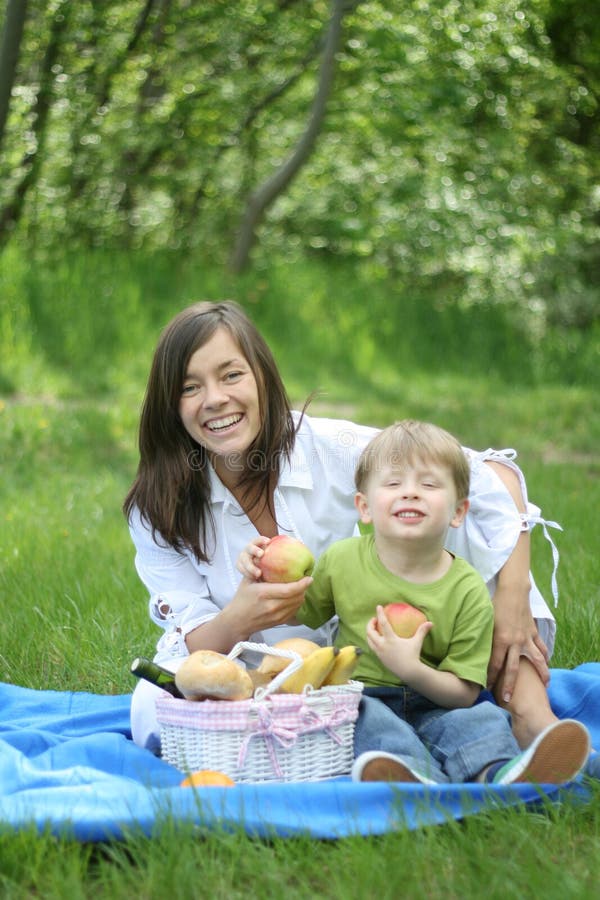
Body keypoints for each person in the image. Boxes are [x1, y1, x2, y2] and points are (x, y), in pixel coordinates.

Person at [124, 299, 562, 754]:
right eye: (190, 387)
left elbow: (492, 474)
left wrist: (512, 598)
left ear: (262, 377)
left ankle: (531, 714)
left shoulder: (327, 446)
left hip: (360, 650)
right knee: (150, 702)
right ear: (170, 405)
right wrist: (241, 616)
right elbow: (192, 640)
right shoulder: (158, 507)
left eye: (232, 375)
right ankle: (286, 742)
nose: (215, 398)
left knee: (433, 502)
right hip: (247, 675)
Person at [243, 420, 589, 783]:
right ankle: (411, 775)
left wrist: (412, 669)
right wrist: (262, 572)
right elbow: (298, 612)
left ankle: (498, 773)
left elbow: (464, 692)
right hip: (365, 695)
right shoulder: (341, 561)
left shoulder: (468, 589)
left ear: (458, 511)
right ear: (364, 507)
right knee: (357, 717)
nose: (410, 493)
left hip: (438, 701)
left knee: (482, 719)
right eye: (393, 483)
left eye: (429, 484)